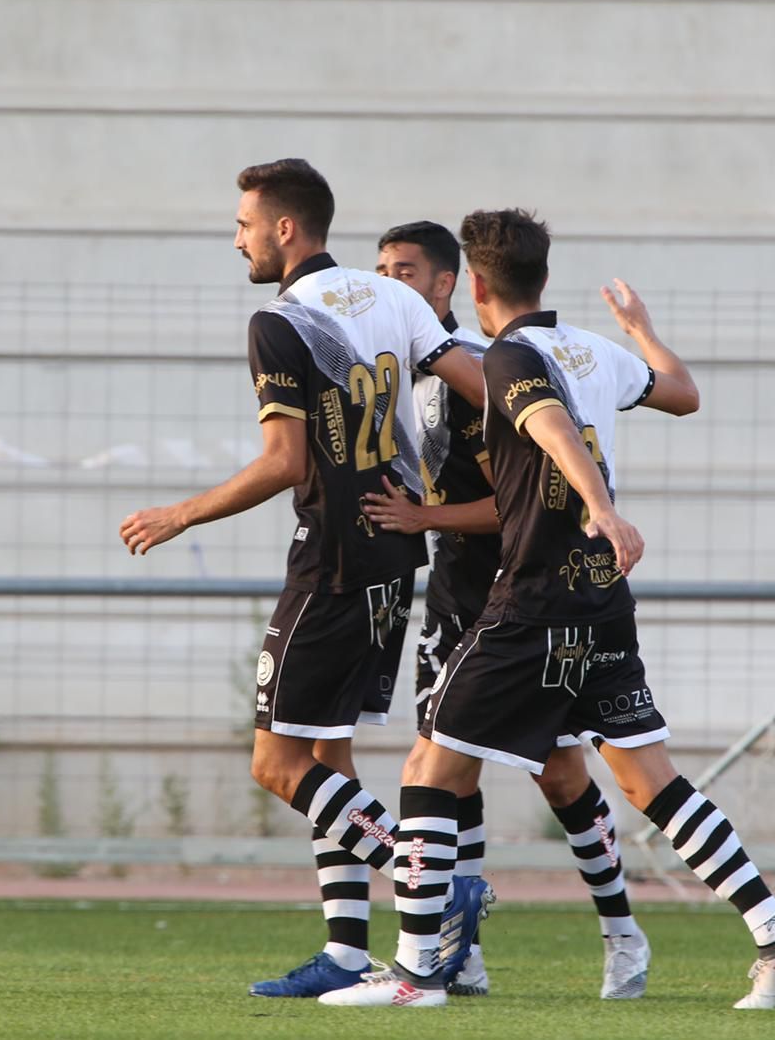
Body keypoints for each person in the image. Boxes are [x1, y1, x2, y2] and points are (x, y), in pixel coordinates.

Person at [322, 209, 775, 1011]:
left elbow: (549, 424)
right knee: (647, 778)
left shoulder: (509, 355)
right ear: (543, 278)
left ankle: (417, 975)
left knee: (429, 768)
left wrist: (601, 506)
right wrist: (644, 329)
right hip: (602, 601)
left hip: (536, 598)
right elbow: (684, 395)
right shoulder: (594, 347)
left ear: (474, 286)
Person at [120, 159, 504, 998]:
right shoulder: (395, 298)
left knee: (275, 761)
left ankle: (429, 887)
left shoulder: (281, 322)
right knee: (329, 754)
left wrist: (178, 514)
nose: (238, 238)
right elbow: (489, 390)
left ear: (285, 229)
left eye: (243, 223)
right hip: (392, 561)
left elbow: (283, 461)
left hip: (330, 562)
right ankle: (343, 952)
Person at [369, 220, 650, 1000]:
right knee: (447, 772)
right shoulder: (406, 369)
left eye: (408, 271)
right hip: (457, 593)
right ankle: (461, 952)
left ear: (450, 284)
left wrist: (425, 519)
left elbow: (520, 498)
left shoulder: (485, 368)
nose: (392, 283)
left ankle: (622, 932)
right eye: (382, 269)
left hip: (527, 592)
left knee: (562, 774)